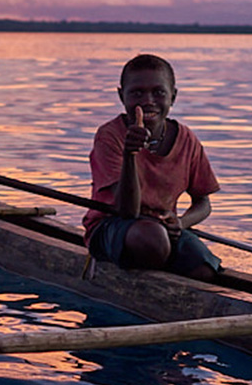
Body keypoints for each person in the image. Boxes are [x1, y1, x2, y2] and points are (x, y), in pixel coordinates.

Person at [82, 53, 223, 280]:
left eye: (158, 93)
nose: (148, 101)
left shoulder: (186, 139)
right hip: (112, 225)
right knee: (152, 239)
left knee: (204, 268)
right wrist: (130, 154)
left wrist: (181, 223)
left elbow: (203, 203)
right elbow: (128, 210)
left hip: (164, 229)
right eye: (137, 93)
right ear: (121, 96)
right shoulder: (110, 136)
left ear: (173, 96)